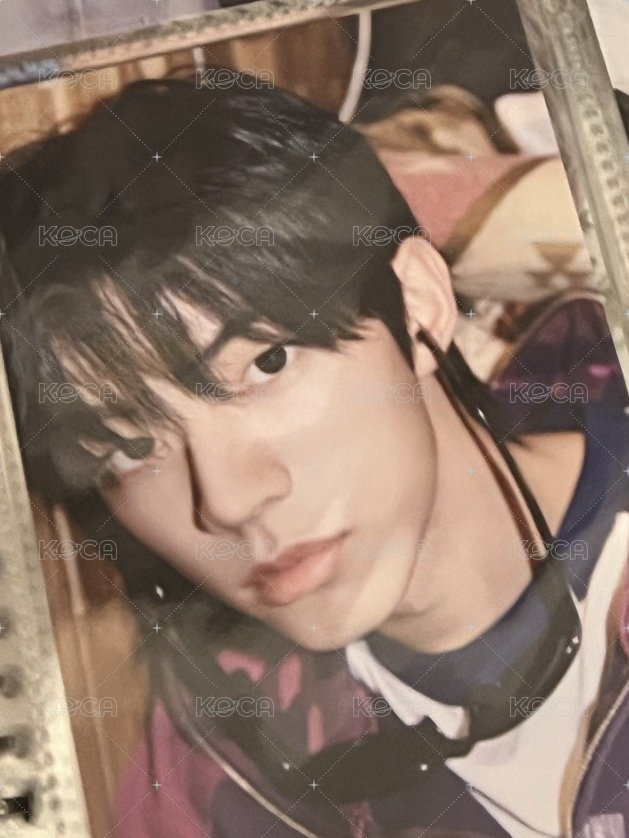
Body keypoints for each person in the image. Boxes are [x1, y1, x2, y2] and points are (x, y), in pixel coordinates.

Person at [1, 74, 628, 838]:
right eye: (130, 446)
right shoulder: (213, 771)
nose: (228, 500)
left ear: (417, 305)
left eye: (266, 363)